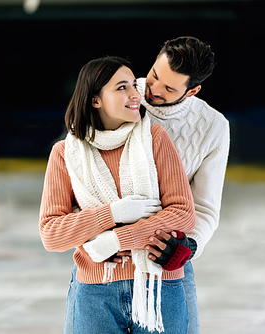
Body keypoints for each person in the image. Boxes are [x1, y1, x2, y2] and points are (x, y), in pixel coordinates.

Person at [64, 36, 230, 334]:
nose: (152, 90)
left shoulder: (213, 127)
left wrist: (188, 246)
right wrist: (93, 237)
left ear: (192, 90)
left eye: (169, 88)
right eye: (154, 75)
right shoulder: (121, 94)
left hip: (161, 260)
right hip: (104, 258)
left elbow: (204, 206)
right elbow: (81, 170)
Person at [39, 56, 196, 334]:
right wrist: (112, 214)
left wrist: (115, 239)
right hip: (95, 291)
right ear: (95, 100)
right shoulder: (65, 154)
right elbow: (52, 233)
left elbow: (182, 214)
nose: (136, 95)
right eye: (122, 87)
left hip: (159, 285)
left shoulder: (156, 139)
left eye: (133, 86)